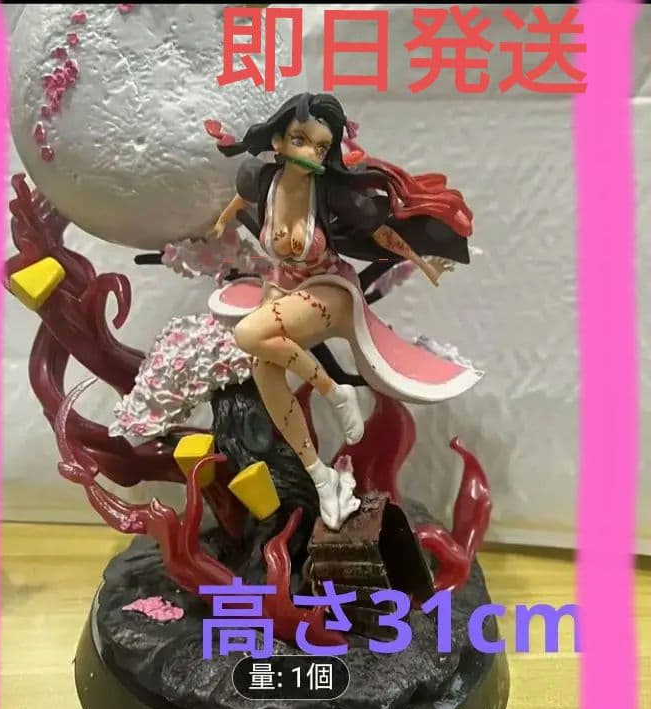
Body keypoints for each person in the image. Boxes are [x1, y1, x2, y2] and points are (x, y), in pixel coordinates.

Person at [204, 92, 481, 531]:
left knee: (247, 335)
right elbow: (242, 199)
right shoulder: (261, 178)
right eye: (300, 140)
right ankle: (322, 478)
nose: (310, 153)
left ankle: (335, 392)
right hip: (282, 285)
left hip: (329, 288)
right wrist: (222, 220)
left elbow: (383, 233)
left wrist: (421, 262)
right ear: (278, 141)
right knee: (264, 371)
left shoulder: (329, 192)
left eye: (320, 147)